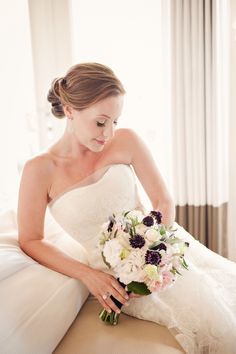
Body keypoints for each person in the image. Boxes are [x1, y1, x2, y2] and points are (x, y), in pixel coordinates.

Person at [18, 62, 236, 354]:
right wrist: (88, 275)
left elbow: (163, 202)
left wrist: (154, 255)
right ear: (70, 111)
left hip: (166, 255)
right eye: (100, 122)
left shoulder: (127, 140)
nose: (108, 133)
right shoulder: (39, 170)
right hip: (117, 283)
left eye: (115, 122)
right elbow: (31, 238)